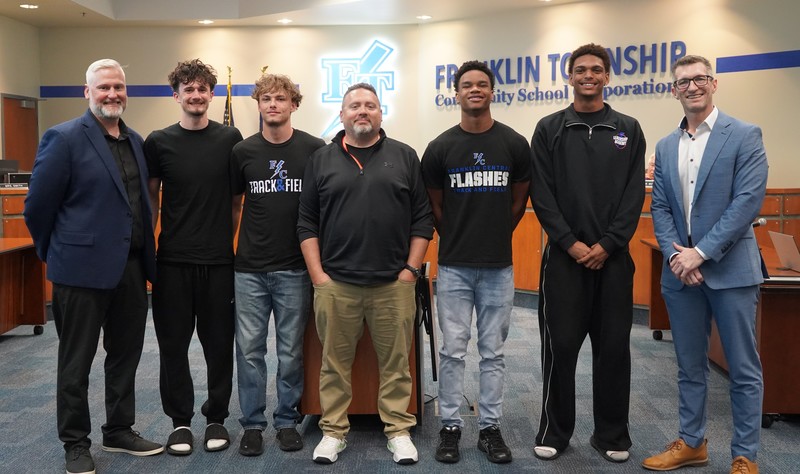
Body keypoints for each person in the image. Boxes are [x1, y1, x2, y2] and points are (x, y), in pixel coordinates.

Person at [24, 58, 164, 474]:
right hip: (79, 271)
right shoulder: (64, 138)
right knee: (76, 361)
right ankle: (75, 442)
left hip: (132, 269)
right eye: (103, 88)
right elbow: (37, 208)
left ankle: (119, 430)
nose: (112, 94)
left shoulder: (136, 141)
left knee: (124, 356)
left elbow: (140, 205)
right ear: (87, 92)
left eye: (118, 87)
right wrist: (57, 253)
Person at [643, 55, 768, 474]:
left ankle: (745, 454)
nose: (691, 87)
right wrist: (678, 255)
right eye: (683, 82)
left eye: (699, 79)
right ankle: (692, 443)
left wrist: (702, 252)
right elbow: (660, 207)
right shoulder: (664, 145)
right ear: (673, 90)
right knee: (688, 366)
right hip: (681, 276)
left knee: (743, 368)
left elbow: (746, 203)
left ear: (713, 83)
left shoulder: (745, 134)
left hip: (731, 272)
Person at [297, 83, 433, 465]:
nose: (362, 111)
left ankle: (399, 430)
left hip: (393, 284)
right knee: (333, 364)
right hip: (336, 284)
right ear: (341, 115)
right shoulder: (321, 160)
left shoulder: (404, 156)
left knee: (395, 364)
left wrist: (410, 271)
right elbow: (306, 223)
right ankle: (333, 431)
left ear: (380, 113)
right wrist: (319, 277)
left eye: (370, 106)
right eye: (354, 106)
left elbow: (423, 218)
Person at [529, 43, 645, 463]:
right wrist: (572, 243)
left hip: (614, 262)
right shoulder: (549, 128)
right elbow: (541, 194)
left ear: (608, 76)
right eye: (581, 70)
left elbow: (634, 195)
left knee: (614, 349)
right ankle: (555, 431)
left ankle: (612, 434)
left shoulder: (628, 128)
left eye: (597, 69)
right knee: (559, 348)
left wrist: (608, 244)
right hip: (563, 260)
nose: (589, 75)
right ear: (571, 76)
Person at [420, 60, 531, 465]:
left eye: (482, 84)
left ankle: (489, 428)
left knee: (493, 352)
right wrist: (460, 237)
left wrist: (498, 231)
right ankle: (450, 426)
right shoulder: (440, 147)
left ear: (492, 91)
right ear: (457, 93)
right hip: (453, 266)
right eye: (467, 85)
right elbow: (434, 205)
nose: (475, 90)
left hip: (498, 265)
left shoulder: (514, 144)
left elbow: (520, 199)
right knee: (452, 350)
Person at [144, 59, 243, 456]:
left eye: (203, 88)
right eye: (189, 89)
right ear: (177, 96)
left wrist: (225, 243)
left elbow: (237, 202)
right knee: (173, 346)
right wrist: (148, 253)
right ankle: (180, 422)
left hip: (219, 263)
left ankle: (216, 417)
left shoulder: (230, 138)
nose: (197, 95)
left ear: (212, 94)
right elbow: (151, 199)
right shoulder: (158, 141)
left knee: (219, 345)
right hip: (172, 263)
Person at [230, 73, 325, 456]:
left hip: (295, 268)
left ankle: (287, 421)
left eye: (280, 98)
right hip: (249, 268)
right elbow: (235, 205)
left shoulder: (314, 150)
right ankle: (252, 424)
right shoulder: (242, 152)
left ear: (293, 105)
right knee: (249, 350)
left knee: (290, 351)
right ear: (258, 104)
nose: (273, 104)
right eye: (266, 98)